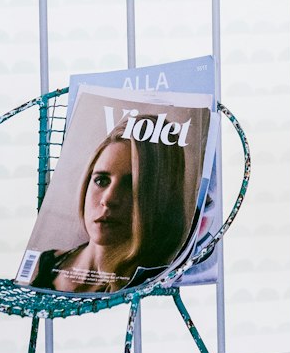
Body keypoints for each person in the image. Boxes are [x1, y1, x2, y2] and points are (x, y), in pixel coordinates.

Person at [31, 120, 191, 294]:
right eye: (101, 180)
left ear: (158, 198)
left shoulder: (147, 284)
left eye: (131, 185)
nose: (108, 199)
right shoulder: (45, 261)